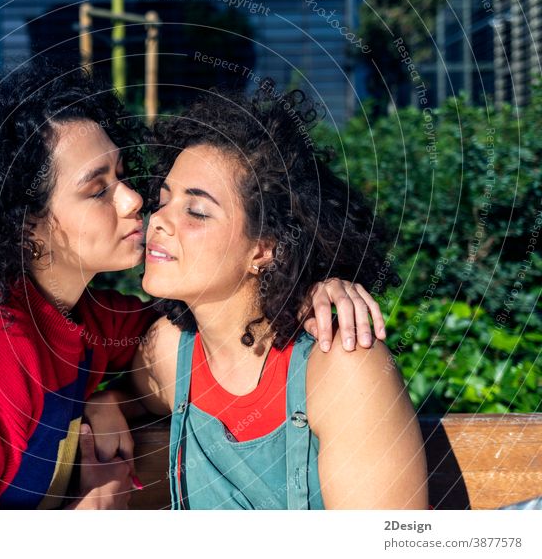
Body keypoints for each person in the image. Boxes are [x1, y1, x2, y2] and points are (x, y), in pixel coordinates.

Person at [0, 62, 387, 510]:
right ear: (27, 226)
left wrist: (309, 286)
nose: (136, 201)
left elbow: (185, 325)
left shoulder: (80, 316)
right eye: (98, 188)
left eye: (123, 175)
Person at [117, 82, 429, 509]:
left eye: (196, 211)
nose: (158, 220)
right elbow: (128, 396)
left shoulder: (340, 365)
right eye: (163, 200)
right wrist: (106, 404)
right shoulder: (170, 352)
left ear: (262, 250)